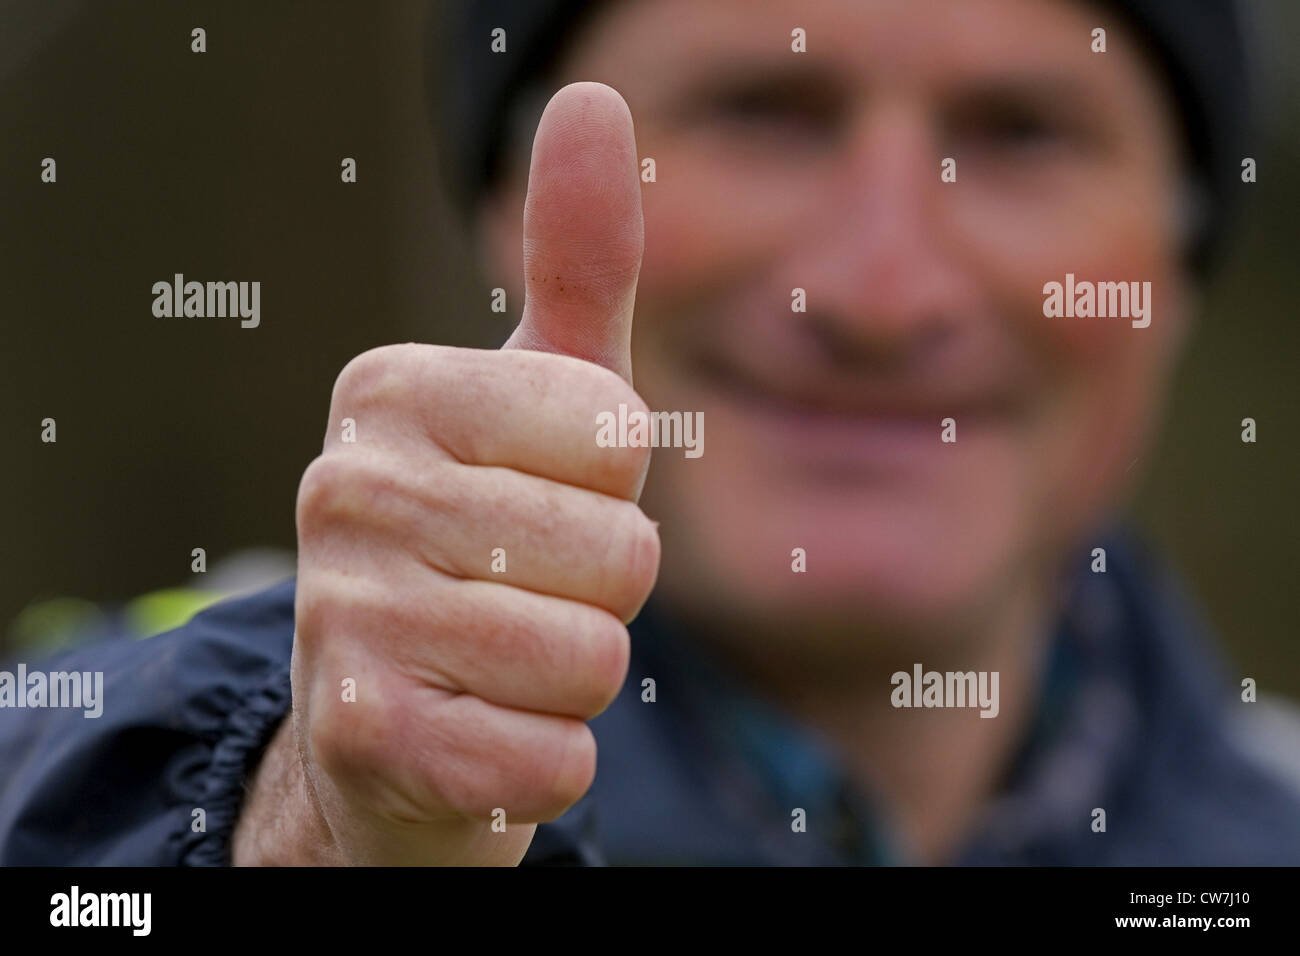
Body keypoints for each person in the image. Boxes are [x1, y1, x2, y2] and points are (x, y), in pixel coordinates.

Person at [3, 0, 1299, 866]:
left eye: (1021, 135)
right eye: (763, 113)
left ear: (1178, 260)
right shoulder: (164, 742)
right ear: (509, 208)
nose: (880, 294)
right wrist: (298, 825)